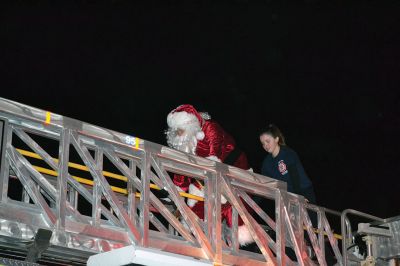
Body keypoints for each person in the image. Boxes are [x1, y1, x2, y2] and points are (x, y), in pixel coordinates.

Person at [165, 104, 254, 246]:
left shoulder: (210, 128)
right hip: (208, 175)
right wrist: (177, 189)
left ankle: (235, 238)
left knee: (230, 204)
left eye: (180, 130)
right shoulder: (186, 142)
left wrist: (211, 168)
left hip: (233, 167)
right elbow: (183, 167)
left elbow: (215, 153)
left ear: (190, 124)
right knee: (195, 201)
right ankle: (199, 235)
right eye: (175, 131)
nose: (178, 135)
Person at [259, 124, 316, 204]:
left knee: (309, 216)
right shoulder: (267, 163)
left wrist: (299, 197)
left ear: (276, 139)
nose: (265, 145)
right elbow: (263, 183)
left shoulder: (288, 154)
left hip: (303, 193)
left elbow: (295, 177)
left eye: (267, 141)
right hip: (287, 197)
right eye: (263, 143)